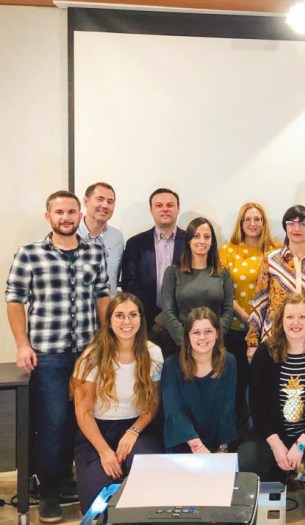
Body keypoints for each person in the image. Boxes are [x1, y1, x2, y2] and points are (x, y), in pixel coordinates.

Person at [5, 190, 111, 522]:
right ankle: (48, 491)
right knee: (52, 423)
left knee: (82, 420)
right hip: (48, 354)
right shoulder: (30, 254)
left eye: (71, 212)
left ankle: (67, 481)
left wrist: (106, 340)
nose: (66, 217)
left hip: (88, 354)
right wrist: (22, 344)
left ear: (81, 214)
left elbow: (103, 295)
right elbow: (14, 300)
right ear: (48, 216)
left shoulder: (95, 252)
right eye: (59, 212)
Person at [238, 294, 305, 520]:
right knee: (246, 459)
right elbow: (256, 405)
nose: (296, 322)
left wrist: (301, 444)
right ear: (281, 321)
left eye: (302, 317)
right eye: (290, 317)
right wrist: (276, 445)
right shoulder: (265, 352)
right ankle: (277, 474)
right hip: (274, 432)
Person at [72, 293, 163, 514]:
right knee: (97, 505)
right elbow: (83, 412)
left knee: (150, 485)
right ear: (110, 321)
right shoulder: (91, 356)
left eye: (133, 315)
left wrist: (133, 431)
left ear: (141, 319)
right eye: (119, 316)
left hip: (138, 428)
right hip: (97, 431)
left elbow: (153, 403)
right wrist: (104, 451)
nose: (126, 322)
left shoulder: (153, 353)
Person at [219, 202, 280, 430]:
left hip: (269, 332)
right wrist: (249, 319)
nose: (253, 224)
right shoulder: (228, 251)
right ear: (241, 223)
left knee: (267, 386)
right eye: (248, 219)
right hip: (237, 329)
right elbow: (225, 292)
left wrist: (261, 324)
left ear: (264, 222)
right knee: (236, 386)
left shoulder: (275, 250)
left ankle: (267, 434)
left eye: (257, 219)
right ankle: (235, 436)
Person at [246, 205, 305, 360]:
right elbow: (260, 300)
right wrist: (252, 341)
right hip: (273, 336)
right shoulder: (271, 259)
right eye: (291, 223)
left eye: (303, 224)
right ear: (285, 226)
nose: (296, 228)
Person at [161, 307, 237, 452]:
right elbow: (174, 412)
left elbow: (227, 410)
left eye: (208, 331)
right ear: (187, 336)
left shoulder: (229, 361)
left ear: (217, 333)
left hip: (217, 443)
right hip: (183, 442)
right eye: (196, 332)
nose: (202, 337)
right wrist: (198, 447)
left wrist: (222, 448)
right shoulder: (171, 365)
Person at [121, 188, 186, 357]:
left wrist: (168, 315)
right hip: (147, 324)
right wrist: (154, 315)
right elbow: (129, 283)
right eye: (159, 205)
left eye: (170, 205)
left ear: (178, 208)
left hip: (182, 324)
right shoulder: (135, 243)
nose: (165, 209)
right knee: (147, 369)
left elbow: (194, 281)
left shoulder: (191, 242)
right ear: (151, 210)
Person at [162, 217, 234, 346]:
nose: (202, 241)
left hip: (215, 344)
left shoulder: (223, 273)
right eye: (196, 236)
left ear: (212, 242)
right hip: (183, 345)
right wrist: (186, 341)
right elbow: (168, 311)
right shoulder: (172, 272)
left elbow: (228, 310)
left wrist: (213, 338)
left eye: (207, 237)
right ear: (188, 240)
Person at [77, 182, 124, 296]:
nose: (105, 205)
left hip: (109, 304)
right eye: (100, 199)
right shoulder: (71, 234)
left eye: (110, 201)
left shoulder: (117, 237)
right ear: (86, 201)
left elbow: (115, 277)